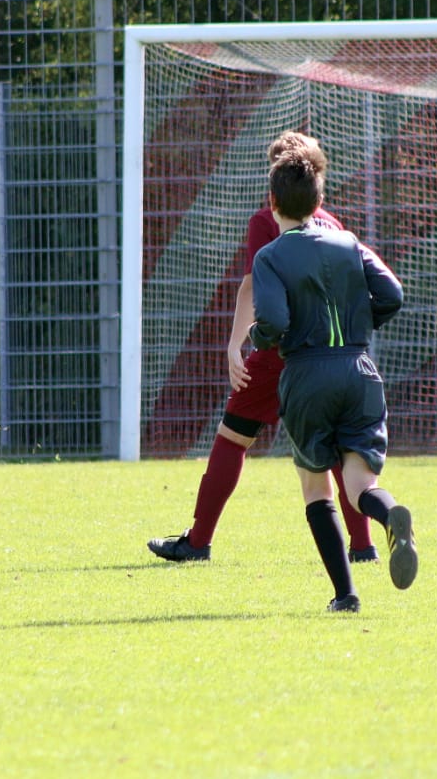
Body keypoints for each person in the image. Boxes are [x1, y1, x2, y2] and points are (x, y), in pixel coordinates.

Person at [149, 131, 378, 564]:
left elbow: (254, 285)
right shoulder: (332, 224)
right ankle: (363, 546)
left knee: (233, 436)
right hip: (331, 353)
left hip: (279, 351)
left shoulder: (265, 221)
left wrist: (236, 344)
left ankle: (198, 541)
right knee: (334, 445)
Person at [248, 141, 416, 613]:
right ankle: (390, 515)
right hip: (360, 371)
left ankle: (346, 595)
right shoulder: (349, 242)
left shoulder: (270, 256)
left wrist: (258, 337)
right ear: (320, 201)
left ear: (273, 201)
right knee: (359, 486)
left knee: (316, 487)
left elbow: (274, 321)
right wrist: (359, 326)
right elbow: (392, 294)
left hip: (307, 374)